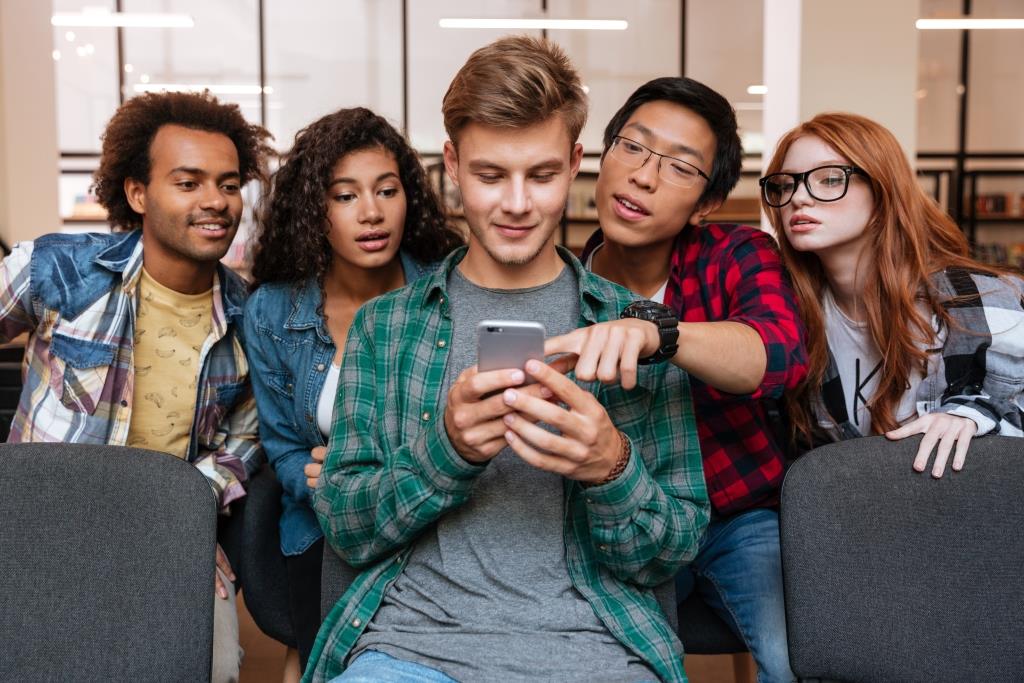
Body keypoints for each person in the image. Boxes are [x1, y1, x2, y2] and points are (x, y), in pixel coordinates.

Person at [303, 36, 709, 683]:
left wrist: (611, 467)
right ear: (453, 165)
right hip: (411, 650)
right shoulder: (386, 328)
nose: (517, 203)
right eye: (491, 175)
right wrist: (447, 449)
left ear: (576, 162)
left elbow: (674, 548)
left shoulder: (631, 330)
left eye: (541, 174)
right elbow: (348, 528)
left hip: (597, 651)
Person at [0, 90, 272, 683]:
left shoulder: (253, 318)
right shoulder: (57, 270)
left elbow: (246, 441)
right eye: (189, 182)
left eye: (228, 185)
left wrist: (192, 511)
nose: (215, 202)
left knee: (217, 663)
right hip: (44, 523)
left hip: (163, 530)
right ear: (137, 193)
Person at [555, 77, 807, 682]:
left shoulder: (737, 254)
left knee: (797, 658)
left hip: (738, 518)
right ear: (599, 156)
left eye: (679, 167)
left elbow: (778, 353)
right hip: (619, 522)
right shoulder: (560, 283)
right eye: (633, 147)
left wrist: (658, 333)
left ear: (705, 204)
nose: (643, 176)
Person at [243, 106, 463, 678]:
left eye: (386, 190)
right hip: (323, 522)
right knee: (329, 657)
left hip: (432, 516)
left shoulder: (447, 290)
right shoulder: (273, 310)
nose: (371, 213)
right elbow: (283, 445)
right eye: (345, 196)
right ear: (315, 211)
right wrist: (313, 480)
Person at [761, 111, 1023, 473]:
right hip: (861, 518)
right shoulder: (794, 312)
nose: (798, 199)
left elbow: (1011, 413)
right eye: (784, 185)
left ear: (884, 190)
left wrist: (972, 418)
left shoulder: (976, 296)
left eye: (829, 179)